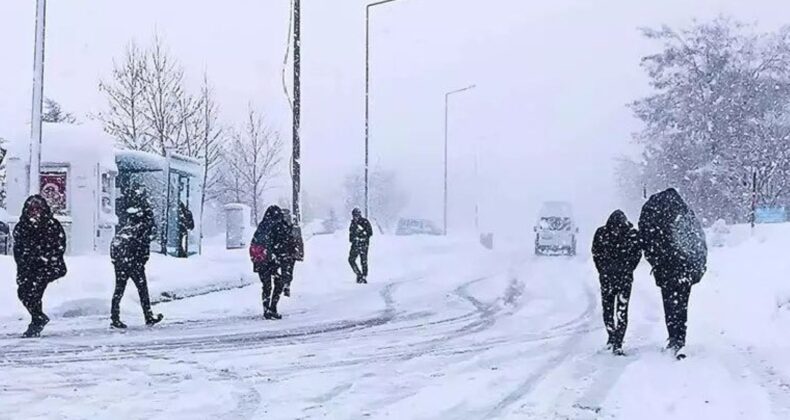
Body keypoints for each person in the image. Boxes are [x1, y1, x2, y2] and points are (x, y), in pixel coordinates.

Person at [639, 188, 707, 359]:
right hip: (686, 269)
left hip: (667, 270)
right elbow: (699, 241)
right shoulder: (684, 213)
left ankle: (673, 337)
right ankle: (680, 338)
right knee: (682, 304)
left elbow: (647, 241)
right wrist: (698, 267)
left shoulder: (654, 214)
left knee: (670, 304)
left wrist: (656, 262)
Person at [13, 195, 67, 338]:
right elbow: (18, 248)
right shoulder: (22, 226)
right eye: (31, 209)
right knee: (23, 293)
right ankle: (38, 317)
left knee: (34, 292)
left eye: (38, 209)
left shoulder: (51, 225)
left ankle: (36, 322)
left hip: (47, 266)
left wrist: (48, 258)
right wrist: (23, 264)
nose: (34, 213)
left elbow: (59, 245)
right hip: (28, 267)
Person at [110, 188, 163, 329]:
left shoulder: (129, 225)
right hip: (133, 263)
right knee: (142, 289)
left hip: (122, 261)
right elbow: (143, 245)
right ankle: (148, 315)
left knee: (119, 289)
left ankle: (115, 317)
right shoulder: (143, 226)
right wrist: (140, 261)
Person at [592, 210, 642, 355]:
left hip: (613, 278)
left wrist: (604, 269)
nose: (616, 231)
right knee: (617, 310)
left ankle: (616, 340)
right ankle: (614, 338)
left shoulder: (602, 234)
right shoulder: (631, 235)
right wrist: (627, 268)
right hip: (618, 278)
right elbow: (636, 254)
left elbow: (596, 253)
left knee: (616, 310)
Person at [250, 205, 289, 319]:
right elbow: (282, 242)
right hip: (274, 260)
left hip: (262, 260)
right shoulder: (278, 225)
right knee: (278, 283)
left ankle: (266, 309)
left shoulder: (262, 226)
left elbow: (256, 243)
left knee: (266, 285)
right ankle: (273, 307)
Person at [279, 208, 304, 298]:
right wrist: (300, 253)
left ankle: (285, 285)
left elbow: (299, 241)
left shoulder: (280, 227)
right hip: (289, 252)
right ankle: (286, 285)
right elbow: (299, 241)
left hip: (285, 252)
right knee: (288, 270)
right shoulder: (294, 228)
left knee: (285, 269)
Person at [348, 208, 373, 284]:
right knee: (351, 260)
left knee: (363, 261)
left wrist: (361, 235)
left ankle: (363, 276)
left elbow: (370, 233)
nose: (355, 217)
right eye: (354, 215)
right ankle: (359, 275)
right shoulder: (353, 223)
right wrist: (353, 238)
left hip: (363, 244)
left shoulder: (364, 222)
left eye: (356, 215)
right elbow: (351, 235)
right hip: (356, 244)